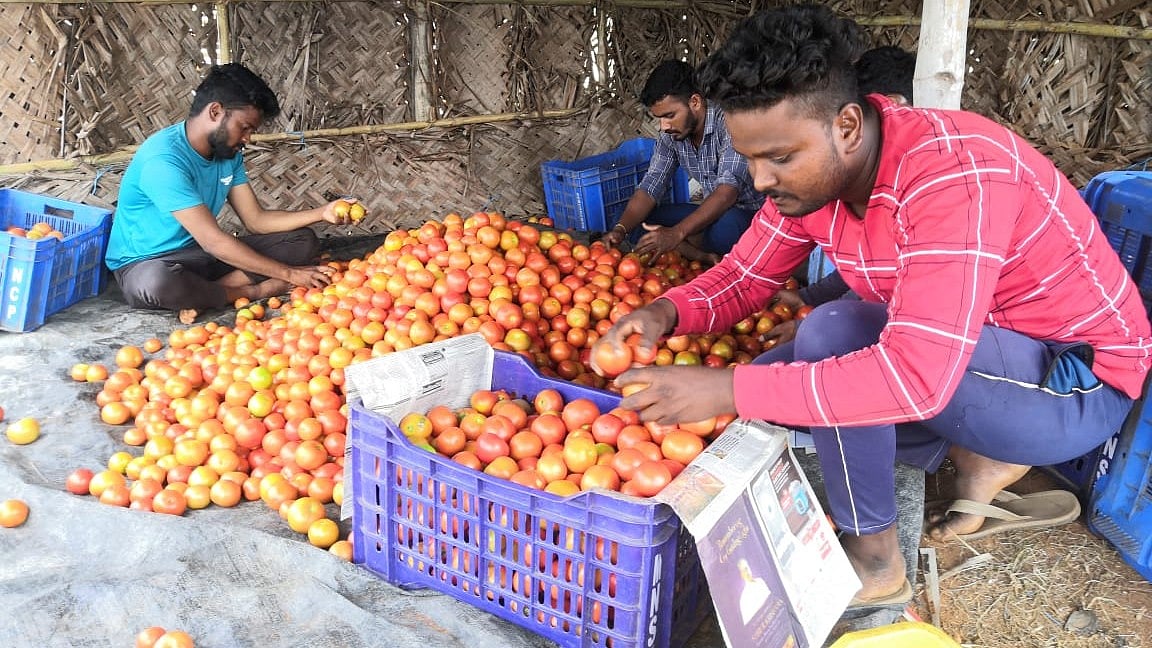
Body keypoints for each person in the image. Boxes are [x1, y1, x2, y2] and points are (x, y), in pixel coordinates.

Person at [603, 5, 1151, 608]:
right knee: (777, 381)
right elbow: (744, 276)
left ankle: (877, 564)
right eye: (750, 157)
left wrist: (729, 388)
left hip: (1074, 384)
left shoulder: (951, 173)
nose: (759, 180)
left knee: (829, 338)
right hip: (976, 363)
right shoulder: (820, 180)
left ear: (845, 125)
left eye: (778, 157)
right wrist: (665, 314)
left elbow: (914, 374)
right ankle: (962, 456)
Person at [105, 63, 357, 324]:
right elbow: (214, 242)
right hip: (147, 262)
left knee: (301, 242)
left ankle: (208, 295)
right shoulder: (163, 161)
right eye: (245, 127)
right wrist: (290, 275)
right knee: (157, 283)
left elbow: (256, 220)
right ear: (215, 112)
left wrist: (322, 213)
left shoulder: (227, 154)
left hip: (199, 254)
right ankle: (251, 291)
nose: (248, 138)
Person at [770, 45, 918, 344]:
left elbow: (904, 295)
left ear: (891, 105)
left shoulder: (930, 180)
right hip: (877, 315)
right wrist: (808, 296)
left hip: (974, 340)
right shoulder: (864, 175)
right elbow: (868, 268)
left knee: (825, 333)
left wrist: (813, 321)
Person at [600, 60, 764, 261]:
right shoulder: (671, 136)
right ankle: (699, 253)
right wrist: (620, 230)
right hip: (709, 213)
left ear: (695, 102)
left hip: (749, 217)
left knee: (728, 226)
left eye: (669, 115)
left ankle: (689, 242)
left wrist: (676, 232)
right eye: (659, 118)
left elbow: (726, 194)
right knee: (625, 218)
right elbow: (651, 185)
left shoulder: (730, 123)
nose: (664, 126)